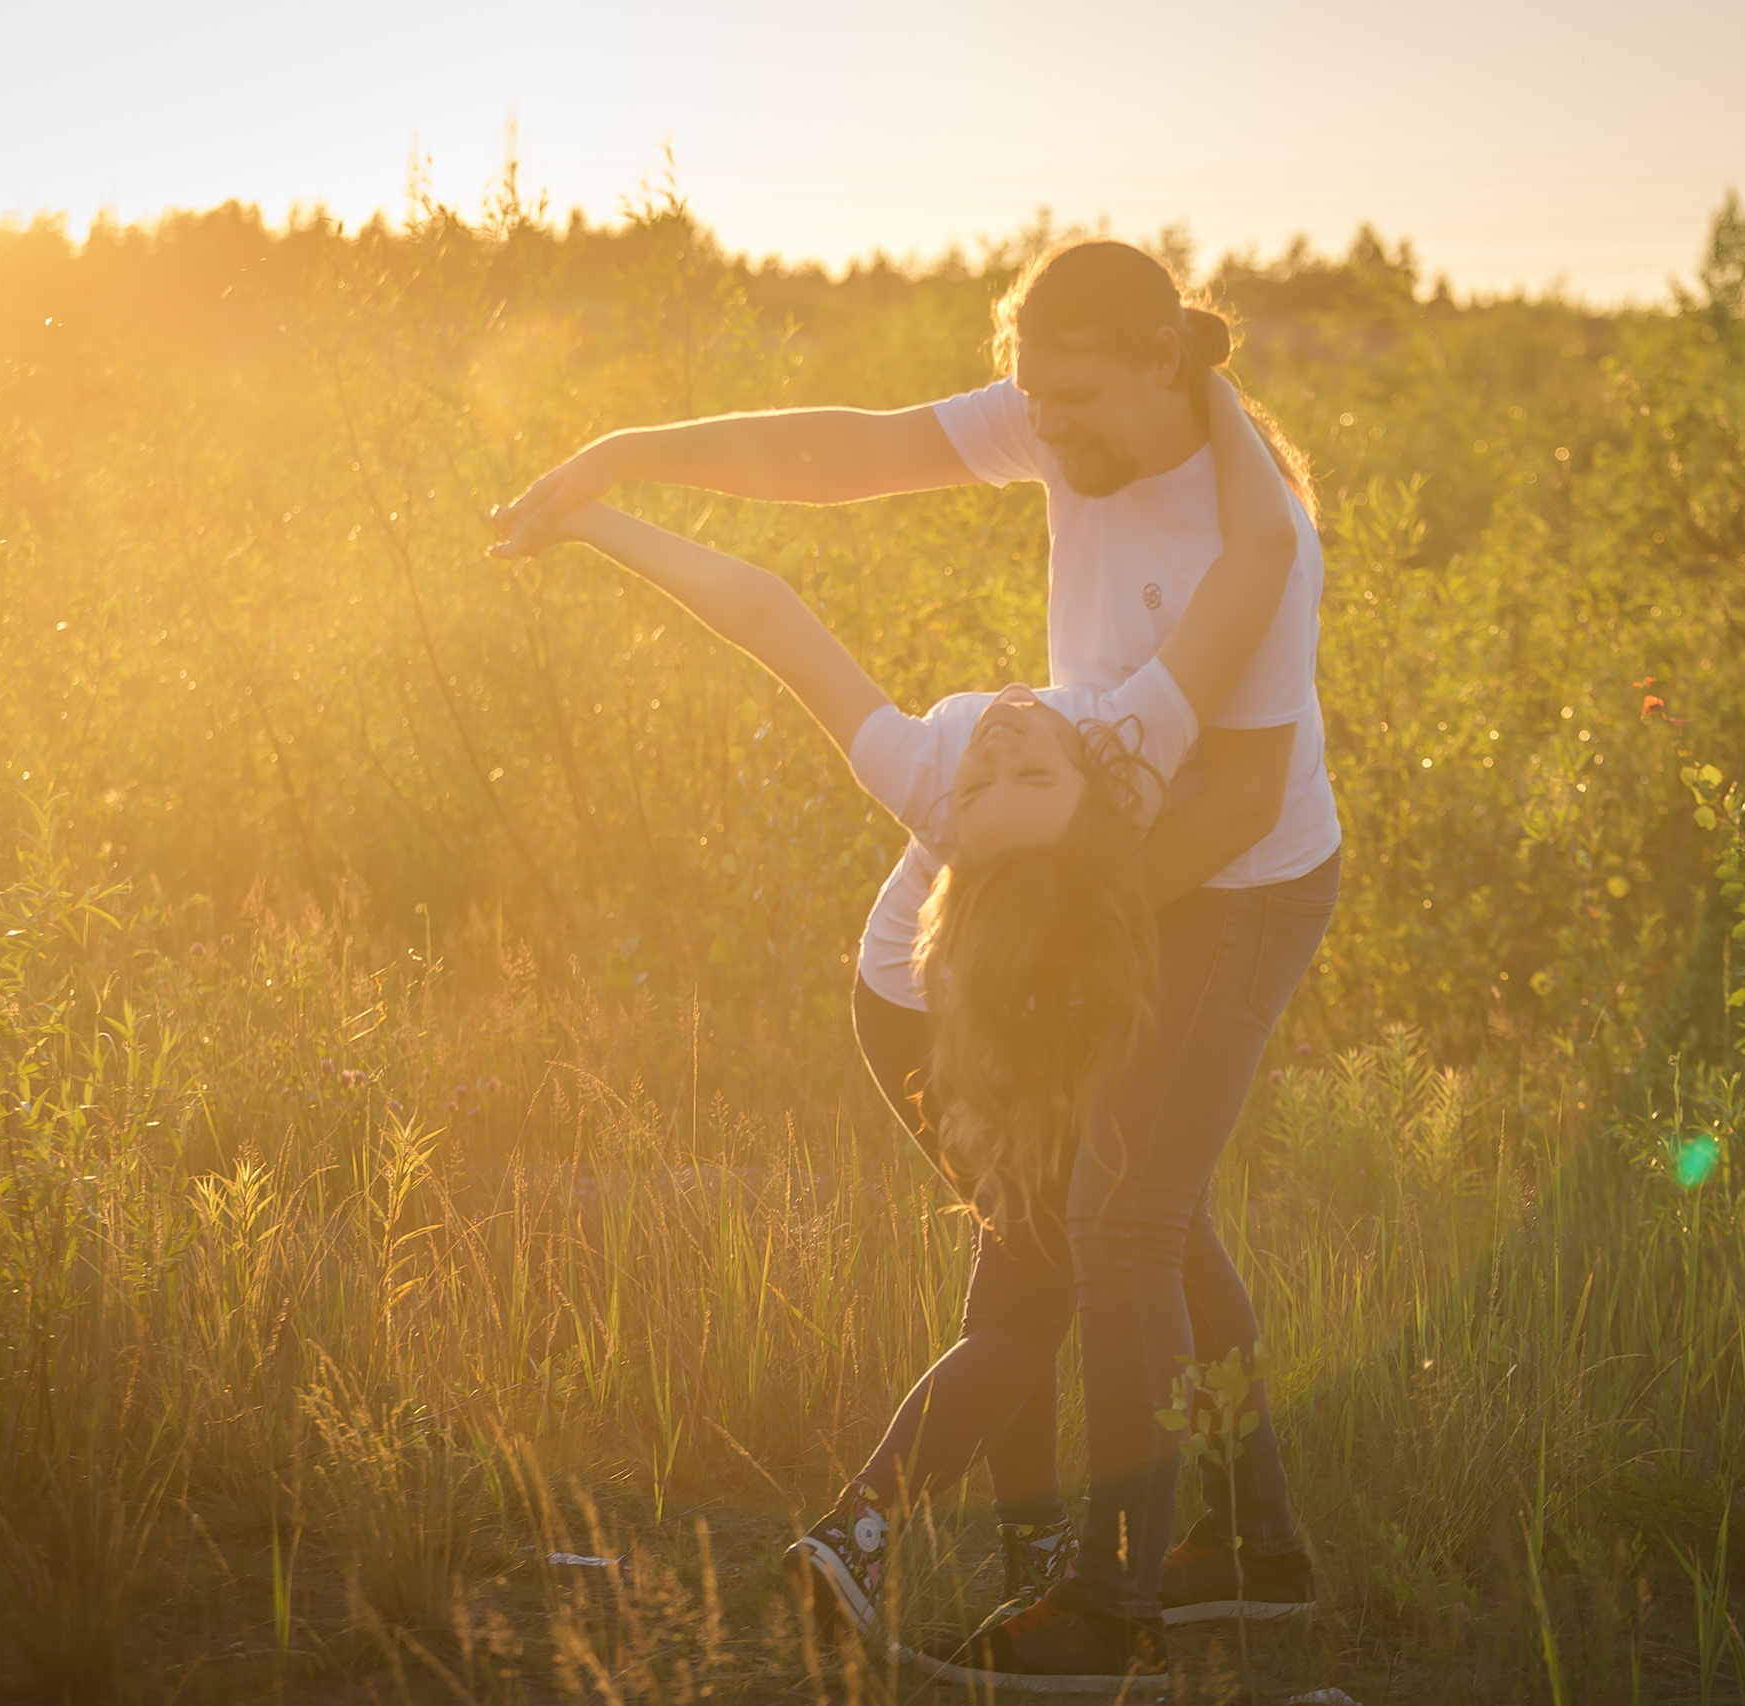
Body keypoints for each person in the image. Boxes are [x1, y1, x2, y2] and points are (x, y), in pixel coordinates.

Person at [492, 241, 1342, 1694]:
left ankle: (1109, 1594)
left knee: (1127, 1219)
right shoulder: (1063, 422)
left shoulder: (1249, 534)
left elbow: (1247, 795)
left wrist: (1071, 914)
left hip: (1225, 878)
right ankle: (1253, 1552)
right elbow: (854, 453)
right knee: (1156, 1215)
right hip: (1065, 870)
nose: (1047, 435)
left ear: (1166, 362)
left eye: (1073, 400)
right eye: (1034, 401)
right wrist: (625, 452)